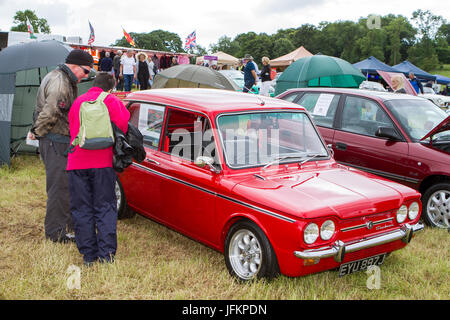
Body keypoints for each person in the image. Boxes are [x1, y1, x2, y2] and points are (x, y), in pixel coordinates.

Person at [30, 49, 94, 243]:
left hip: (56, 139)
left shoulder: (61, 77)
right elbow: (50, 113)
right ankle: (55, 234)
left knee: (65, 186)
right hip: (55, 140)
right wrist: (37, 133)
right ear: (74, 66)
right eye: (85, 71)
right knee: (59, 189)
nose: (86, 76)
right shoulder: (60, 83)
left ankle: (66, 226)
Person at [67, 72, 130, 266]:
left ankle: (88, 255)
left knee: (82, 208)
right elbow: (123, 124)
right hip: (102, 163)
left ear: (94, 84)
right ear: (111, 87)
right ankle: (106, 254)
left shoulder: (78, 101)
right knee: (104, 207)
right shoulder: (111, 101)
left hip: (76, 162)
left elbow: (72, 128)